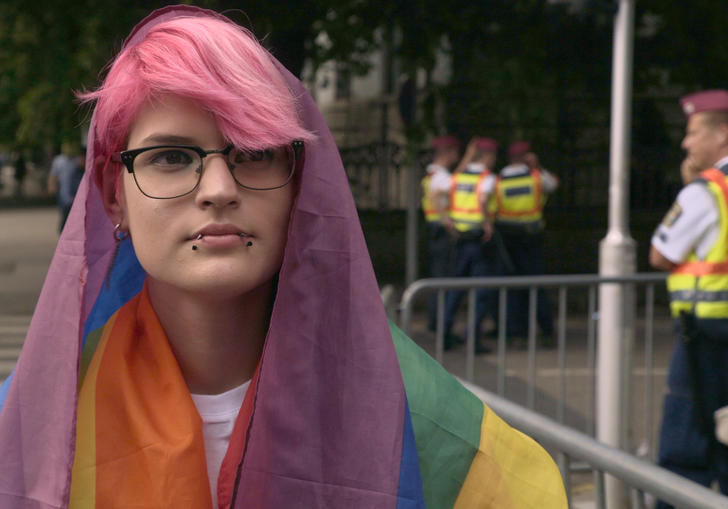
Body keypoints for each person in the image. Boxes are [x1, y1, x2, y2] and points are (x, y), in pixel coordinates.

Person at [0, 6, 566, 508]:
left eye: (254, 153)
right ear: (112, 194)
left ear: (301, 185)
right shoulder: (29, 429)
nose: (218, 187)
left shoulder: (449, 443)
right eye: (171, 156)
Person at [650, 89, 728, 507]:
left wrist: (690, 186)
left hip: (707, 339)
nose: (686, 143)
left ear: (723, 135)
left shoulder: (706, 191)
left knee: (684, 451)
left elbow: (662, 253)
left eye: (694, 132)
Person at [493, 141, 558, 346]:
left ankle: (517, 334)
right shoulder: (536, 178)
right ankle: (547, 331)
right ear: (526, 157)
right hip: (532, 238)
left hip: (506, 238)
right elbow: (554, 184)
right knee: (536, 285)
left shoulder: (498, 181)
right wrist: (536, 167)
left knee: (513, 287)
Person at [442, 137, 499, 353]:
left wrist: (448, 220)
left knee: (456, 289)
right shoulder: (487, 178)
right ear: (487, 156)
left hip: (460, 239)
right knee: (481, 291)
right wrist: (487, 224)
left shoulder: (457, 177)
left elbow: (442, 197)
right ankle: (473, 340)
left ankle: (446, 334)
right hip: (478, 239)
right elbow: (483, 200)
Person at [421, 135, 459, 332]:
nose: (457, 156)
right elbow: (437, 196)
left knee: (438, 277)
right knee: (445, 279)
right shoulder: (441, 176)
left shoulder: (431, 174)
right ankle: (441, 325)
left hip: (434, 229)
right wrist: (448, 221)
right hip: (441, 231)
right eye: (455, 152)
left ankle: (436, 322)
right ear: (447, 153)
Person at [48, 146, 83, 232]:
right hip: (63, 192)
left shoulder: (77, 160)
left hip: (75, 193)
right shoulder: (58, 160)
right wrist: (52, 187)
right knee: (64, 212)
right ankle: (64, 231)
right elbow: (53, 175)